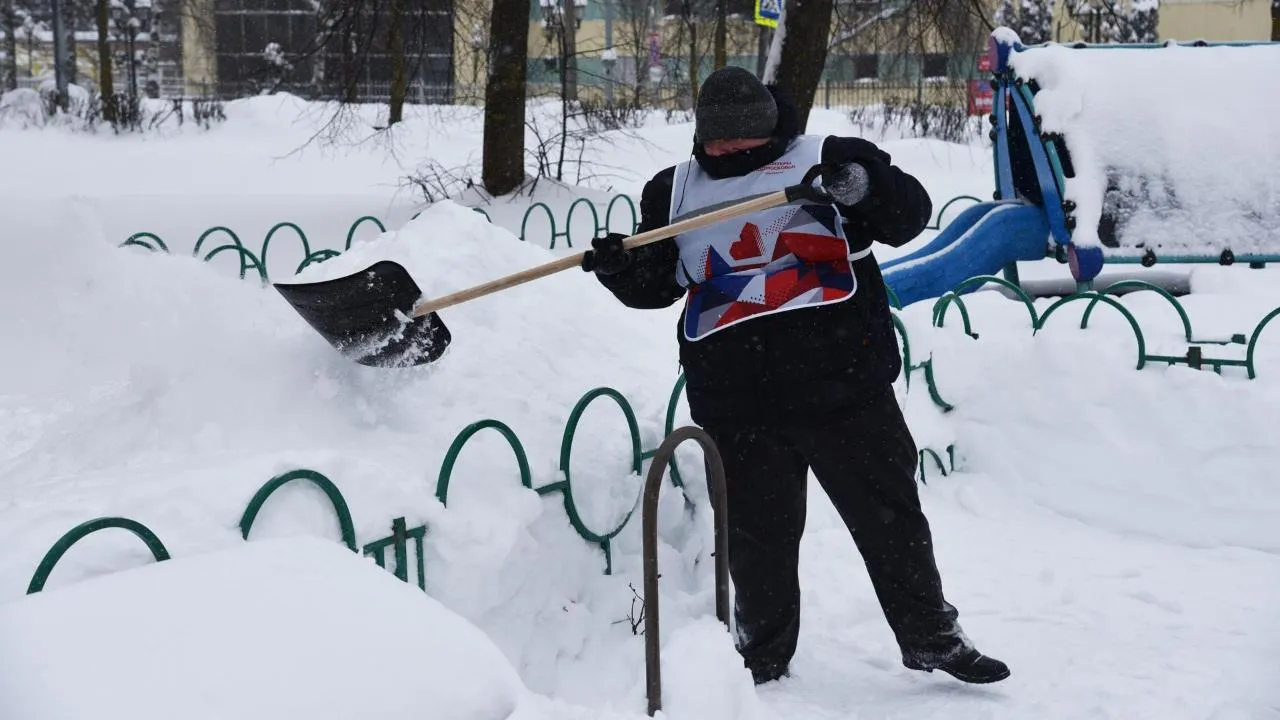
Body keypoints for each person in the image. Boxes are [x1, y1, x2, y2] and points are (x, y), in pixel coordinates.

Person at [580, 66, 1009, 686]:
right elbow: (656, 286)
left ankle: (932, 638)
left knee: (890, 519)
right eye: (718, 141)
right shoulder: (671, 191)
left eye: (744, 141)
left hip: (844, 383)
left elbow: (907, 216)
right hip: (736, 400)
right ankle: (762, 655)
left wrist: (864, 189)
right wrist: (621, 265)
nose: (730, 151)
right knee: (757, 540)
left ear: (771, 129)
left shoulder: (829, 160)